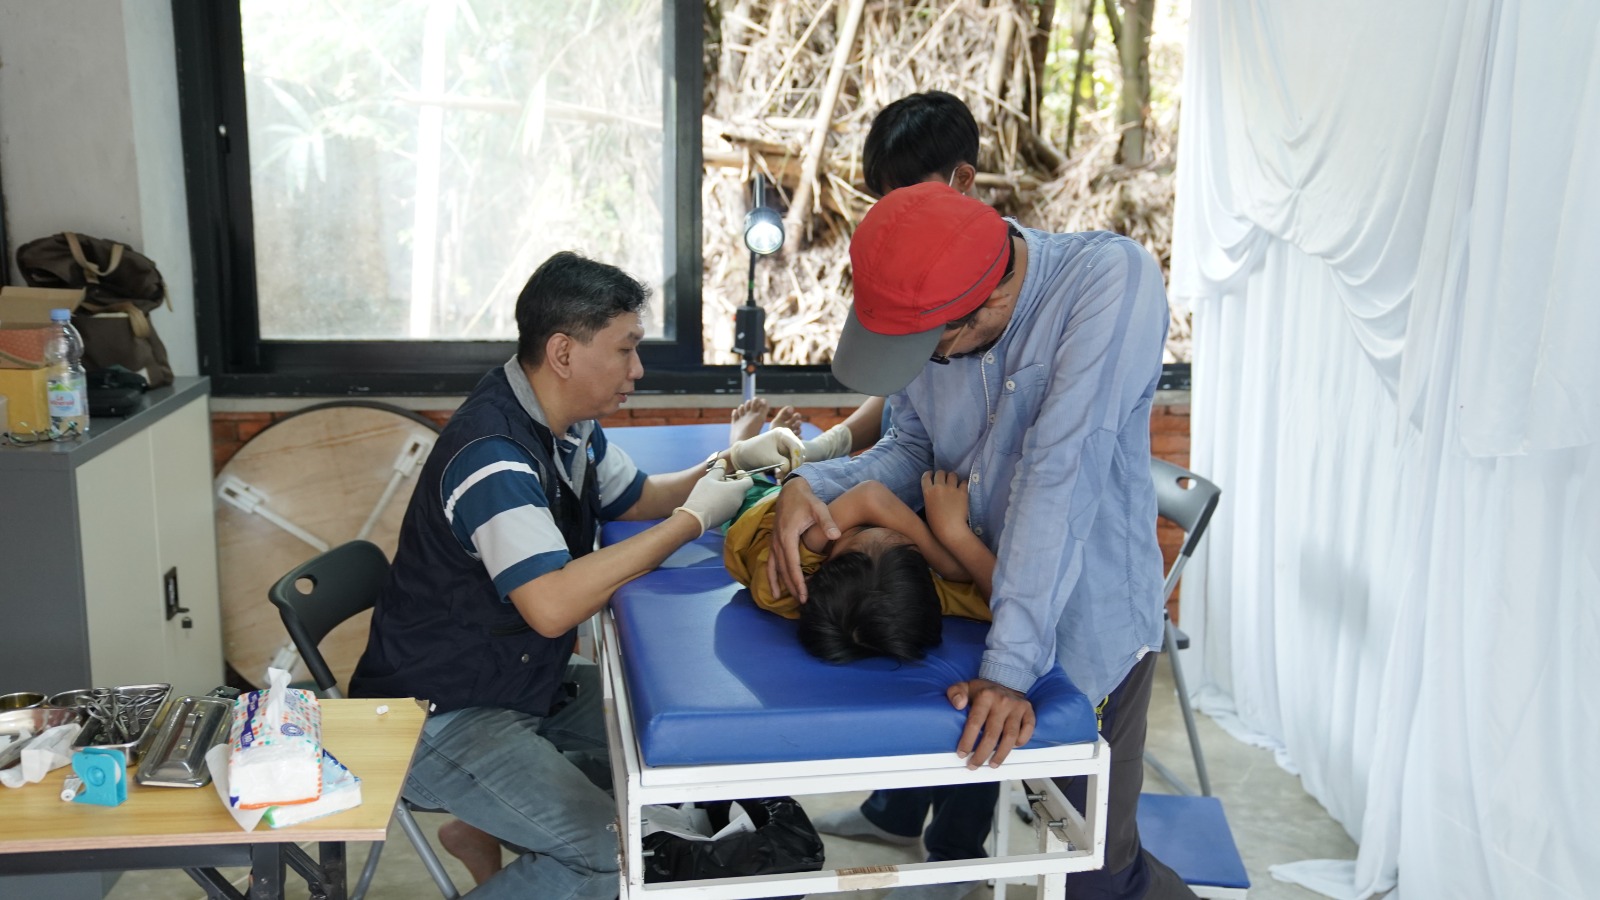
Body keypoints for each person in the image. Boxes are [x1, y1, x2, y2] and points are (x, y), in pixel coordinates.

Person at [767, 182, 1194, 900]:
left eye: (933, 352)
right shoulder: (939, 327)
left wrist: (1010, 667)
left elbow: (1062, 474)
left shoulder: (1108, 283)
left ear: (989, 306)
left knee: (1098, 873)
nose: (927, 367)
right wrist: (808, 486)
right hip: (988, 602)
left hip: (1088, 628)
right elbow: (911, 451)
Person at [348, 251, 804, 897]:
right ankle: (509, 840)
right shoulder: (493, 458)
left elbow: (638, 497)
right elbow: (554, 605)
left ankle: (488, 836)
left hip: (516, 678)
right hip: (440, 715)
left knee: (667, 738)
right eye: (626, 350)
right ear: (563, 353)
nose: (637, 369)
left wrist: (729, 465)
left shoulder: (565, 423)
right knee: (604, 852)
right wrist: (693, 522)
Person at [723, 469, 994, 662]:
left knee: (739, 481)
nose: (876, 522)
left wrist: (945, 561)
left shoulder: (783, 584)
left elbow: (869, 497)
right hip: (827, 490)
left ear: (823, 565)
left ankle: (744, 448)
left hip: (760, 504)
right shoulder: (924, 595)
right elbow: (1010, 603)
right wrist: (954, 536)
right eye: (910, 545)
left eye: (854, 533)